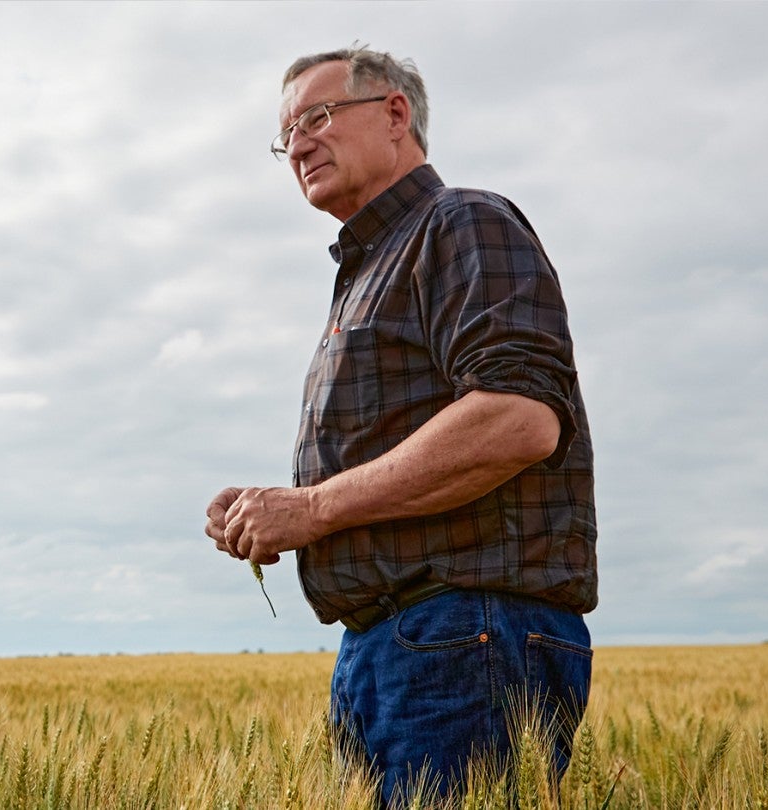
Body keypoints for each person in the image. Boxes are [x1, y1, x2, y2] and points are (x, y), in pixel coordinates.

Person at [204, 45, 597, 803]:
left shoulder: (461, 223)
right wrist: (280, 511)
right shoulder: (369, 268)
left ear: (395, 114)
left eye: (318, 116)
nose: (300, 145)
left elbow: (519, 419)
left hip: (462, 632)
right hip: (395, 644)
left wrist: (314, 508)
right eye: (287, 136)